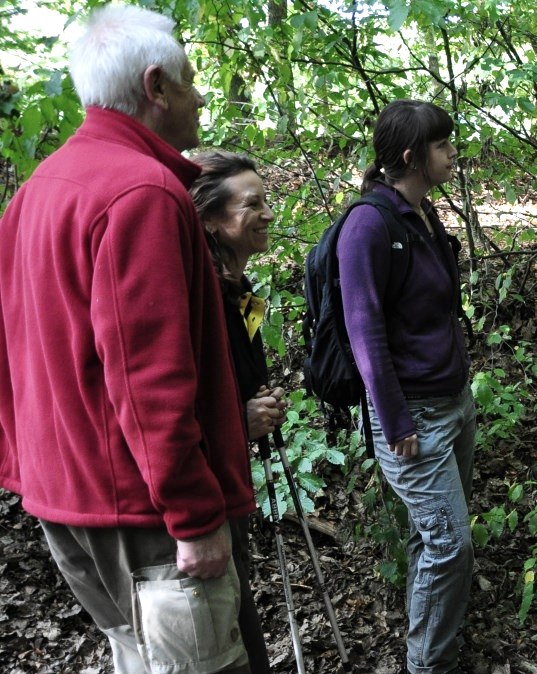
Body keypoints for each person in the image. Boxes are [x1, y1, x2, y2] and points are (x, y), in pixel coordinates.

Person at [0, 6, 254, 674]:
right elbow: (150, 377)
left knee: (139, 658)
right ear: (156, 87)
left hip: (67, 502)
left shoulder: (35, 192)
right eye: (191, 80)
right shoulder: (141, 192)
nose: (200, 97)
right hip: (143, 514)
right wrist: (194, 515)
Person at [340, 99, 475, 674]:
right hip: (412, 420)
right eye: (442, 146)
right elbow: (364, 332)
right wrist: (393, 422)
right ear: (410, 157)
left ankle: (431, 649)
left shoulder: (423, 214)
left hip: (453, 404)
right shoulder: (369, 226)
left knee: (433, 540)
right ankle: (428, 665)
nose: (452, 154)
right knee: (450, 544)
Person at [190, 149, 287, 674]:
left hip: (231, 475)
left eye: (266, 201)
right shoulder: (198, 293)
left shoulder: (240, 290)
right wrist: (237, 419)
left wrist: (260, 404)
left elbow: (241, 373)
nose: (268, 214)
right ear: (210, 219)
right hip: (203, 488)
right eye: (252, 205)